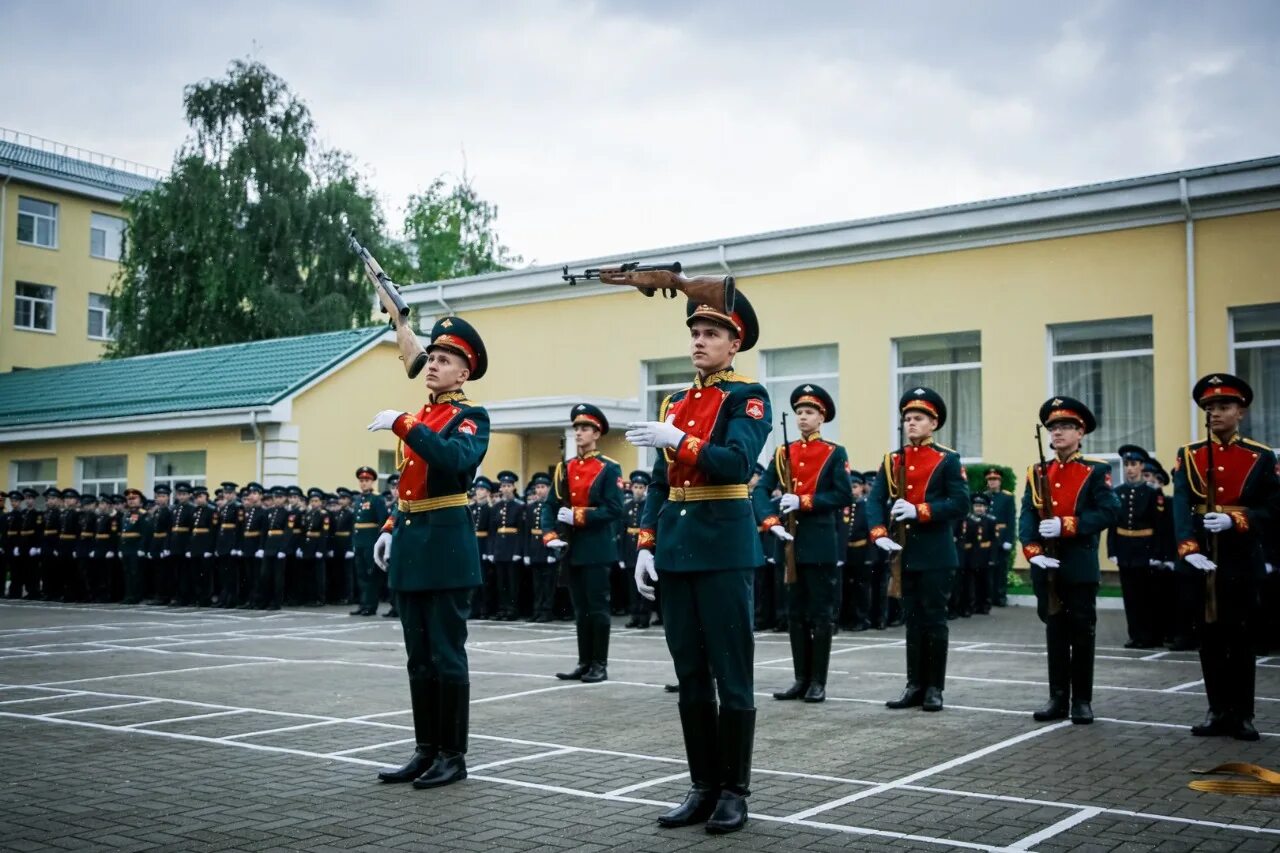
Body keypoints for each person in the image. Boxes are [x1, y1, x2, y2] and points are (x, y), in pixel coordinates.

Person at [627, 290, 769, 834]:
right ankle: (702, 785)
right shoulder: (676, 402)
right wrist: (645, 542)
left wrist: (679, 440)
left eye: (712, 334)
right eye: (695, 333)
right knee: (690, 676)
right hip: (679, 551)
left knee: (732, 674)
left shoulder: (748, 397)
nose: (699, 341)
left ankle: (734, 790)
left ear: (735, 344)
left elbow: (735, 465)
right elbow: (661, 483)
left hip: (724, 551)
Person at [368, 314, 491, 790]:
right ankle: (424, 749)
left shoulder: (471, 417)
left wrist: (403, 425)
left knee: (446, 655)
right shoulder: (423, 416)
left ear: (464, 373)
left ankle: (452, 755)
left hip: (445, 545)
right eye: (432, 357)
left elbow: (454, 460)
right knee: (417, 657)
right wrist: (390, 524)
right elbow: (410, 483)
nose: (433, 365)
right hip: (413, 542)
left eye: (444, 360)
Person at [1173, 373, 1279, 741]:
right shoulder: (1190, 455)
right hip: (1203, 557)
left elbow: (1273, 508)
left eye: (1223, 406)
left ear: (1241, 412)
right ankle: (1217, 709)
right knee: (1209, 636)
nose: (1215, 413)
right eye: (1210, 407)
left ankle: (1243, 713)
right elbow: (1181, 505)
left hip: (1240, 556)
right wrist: (1188, 547)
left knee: (1241, 636)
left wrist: (1238, 519)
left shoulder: (1261, 457)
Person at [868, 387, 969, 713]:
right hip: (905, 553)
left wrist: (921, 510)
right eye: (908, 418)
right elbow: (874, 499)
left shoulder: (947, 459)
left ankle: (934, 688)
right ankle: (914, 685)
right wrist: (879, 532)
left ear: (933, 423)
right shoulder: (893, 459)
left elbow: (960, 503)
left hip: (936, 554)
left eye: (919, 418)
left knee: (934, 620)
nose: (911, 423)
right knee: (912, 621)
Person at [1020, 396, 1120, 726]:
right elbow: (1026, 515)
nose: (1058, 433)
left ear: (1081, 433)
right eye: (1053, 427)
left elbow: (1108, 511)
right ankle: (1057, 697)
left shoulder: (1096, 470)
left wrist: (1068, 525)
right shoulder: (1037, 471)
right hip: (1047, 565)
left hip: (1077, 565)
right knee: (1055, 632)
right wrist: (1033, 552)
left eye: (1065, 427)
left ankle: (1082, 700)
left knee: (1081, 632)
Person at [754, 383, 852, 704]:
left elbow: (842, 495)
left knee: (820, 614)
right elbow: (760, 491)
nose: (802, 418)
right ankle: (800, 678)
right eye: (799, 412)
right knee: (794, 614)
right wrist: (770, 522)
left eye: (809, 412)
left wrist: (804, 501)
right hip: (789, 544)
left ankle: (817, 681)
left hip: (819, 543)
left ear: (822, 417)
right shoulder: (784, 453)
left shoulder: (834, 452)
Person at [545, 403, 624, 684]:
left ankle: (599, 664)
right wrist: (549, 534)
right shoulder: (565, 468)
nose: (579, 433)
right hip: (573, 548)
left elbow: (615, 509)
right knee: (581, 609)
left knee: (598, 608)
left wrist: (578, 515)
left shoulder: (608, 468)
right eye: (576, 428)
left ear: (597, 433)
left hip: (596, 548)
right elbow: (550, 505)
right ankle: (584, 662)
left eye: (585, 428)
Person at [1107, 445, 1165, 649]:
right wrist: (1112, 550)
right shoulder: (1118, 492)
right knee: (1130, 596)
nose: (1130, 469)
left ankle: (1148, 636)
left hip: (1145, 549)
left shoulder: (1151, 493)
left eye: (1133, 464)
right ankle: (1134, 635)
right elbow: (1113, 524)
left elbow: (1159, 526)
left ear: (1141, 466)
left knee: (1146, 596)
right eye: (1126, 465)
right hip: (1125, 550)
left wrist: (1157, 553)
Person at [350, 467, 389, 616]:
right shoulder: (359, 499)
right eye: (361, 481)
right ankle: (363, 604)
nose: (363, 483)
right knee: (361, 575)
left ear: (372, 482)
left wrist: (378, 542)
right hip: (359, 542)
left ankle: (371, 606)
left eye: (366, 481)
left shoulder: (377, 499)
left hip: (370, 542)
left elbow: (382, 521)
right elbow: (355, 523)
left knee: (371, 575)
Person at [488, 471, 524, 621]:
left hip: (512, 547)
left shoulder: (519, 507)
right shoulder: (496, 508)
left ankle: (512, 609)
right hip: (499, 548)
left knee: (512, 582)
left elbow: (521, 531)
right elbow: (492, 531)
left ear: (513, 487)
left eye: (508, 485)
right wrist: (491, 550)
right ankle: (502, 608)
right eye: (503, 486)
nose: (506, 488)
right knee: (500, 581)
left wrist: (517, 551)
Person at [524, 473, 558, 623]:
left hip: (547, 548)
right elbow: (527, 532)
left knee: (548, 583)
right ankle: (537, 610)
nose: (539, 490)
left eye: (543, 487)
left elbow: (556, 529)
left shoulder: (553, 507)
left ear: (549, 489)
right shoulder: (531, 507)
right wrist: (526, 552)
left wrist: (553, 552)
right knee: (536, 583)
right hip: (535, 548)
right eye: (537, 487)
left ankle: (547, 610)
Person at [981, 467, 1016, 606]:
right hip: (987, 537)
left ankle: (1000, 597)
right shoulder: (984, 496)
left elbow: (1011, 520)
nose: (992, 482)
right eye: (990, 480)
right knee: (986, 569)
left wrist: (1009, 540)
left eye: (995, 479)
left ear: (1000, 481)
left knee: (1001, 569)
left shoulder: (1007, 497)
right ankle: (987, 597)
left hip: (1001, 537)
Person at [621, 471, 652, 628]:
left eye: (641, 487)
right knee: (632, 587)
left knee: (644, 585)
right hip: (629, 550)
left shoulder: (648, 506)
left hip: (643, 550)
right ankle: (634, 615)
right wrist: (621, 556)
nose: (638, 490)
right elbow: (621, 531)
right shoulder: (626, 507)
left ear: (645, 489)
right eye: (635, 487)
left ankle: (644, 617)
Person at [120, 489, 152, 604]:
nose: (131, 501)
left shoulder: (143, 514)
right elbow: (123, 533)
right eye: (129, 499)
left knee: (136, 573)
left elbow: (145, 533)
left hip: (136, 547)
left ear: (141, 501)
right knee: (127, 573)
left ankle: (137, 596)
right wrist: (120, 548)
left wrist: (142, 548)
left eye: (134, 499)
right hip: (126, 548)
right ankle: (129, 595)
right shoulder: (126, 515)